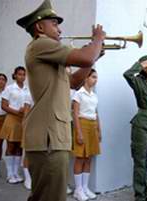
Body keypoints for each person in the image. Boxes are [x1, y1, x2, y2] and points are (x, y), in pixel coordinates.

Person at [16, 0, 105, 200]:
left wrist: (94, 56)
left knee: (45, 195)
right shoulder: (41, 44)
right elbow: (85, 58)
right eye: (54, 23)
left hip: (54, 135)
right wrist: (97, 40)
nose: (60, 29)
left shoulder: (51, 55)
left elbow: (73, 82)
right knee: (51, 196)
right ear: (39, 27)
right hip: (48, 136)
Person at [123, 55, 147, 201]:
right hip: (142, 124)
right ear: (145, 67)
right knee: (140, 160)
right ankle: (139, 195)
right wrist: (140, 64)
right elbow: (127, 74)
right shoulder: (138, 82)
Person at [72, 69, 101, 201]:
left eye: (96, 78)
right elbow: (75, 114)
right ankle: (78, 190)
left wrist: (99, 129)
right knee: (80, 157)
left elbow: (96, 113)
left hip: (92, 125)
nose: (95, 80)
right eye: (93, 77)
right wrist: (78, 132)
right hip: (82, 124)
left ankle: (85, 187)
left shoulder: (94, 95)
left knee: (89, 157)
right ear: (86, 78)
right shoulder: (78, 94)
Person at [0, 66, 29, 184]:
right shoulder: (9, 88)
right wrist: (17, 111)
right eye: (19, 74)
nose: (22, 76)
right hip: (12, 118)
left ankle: (16, 173)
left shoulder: (27, 89)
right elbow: (4, 106)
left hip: (23, 120)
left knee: (19, 147)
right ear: (15, 75)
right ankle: (10, 174)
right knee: (11, 146)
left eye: (23, 74)